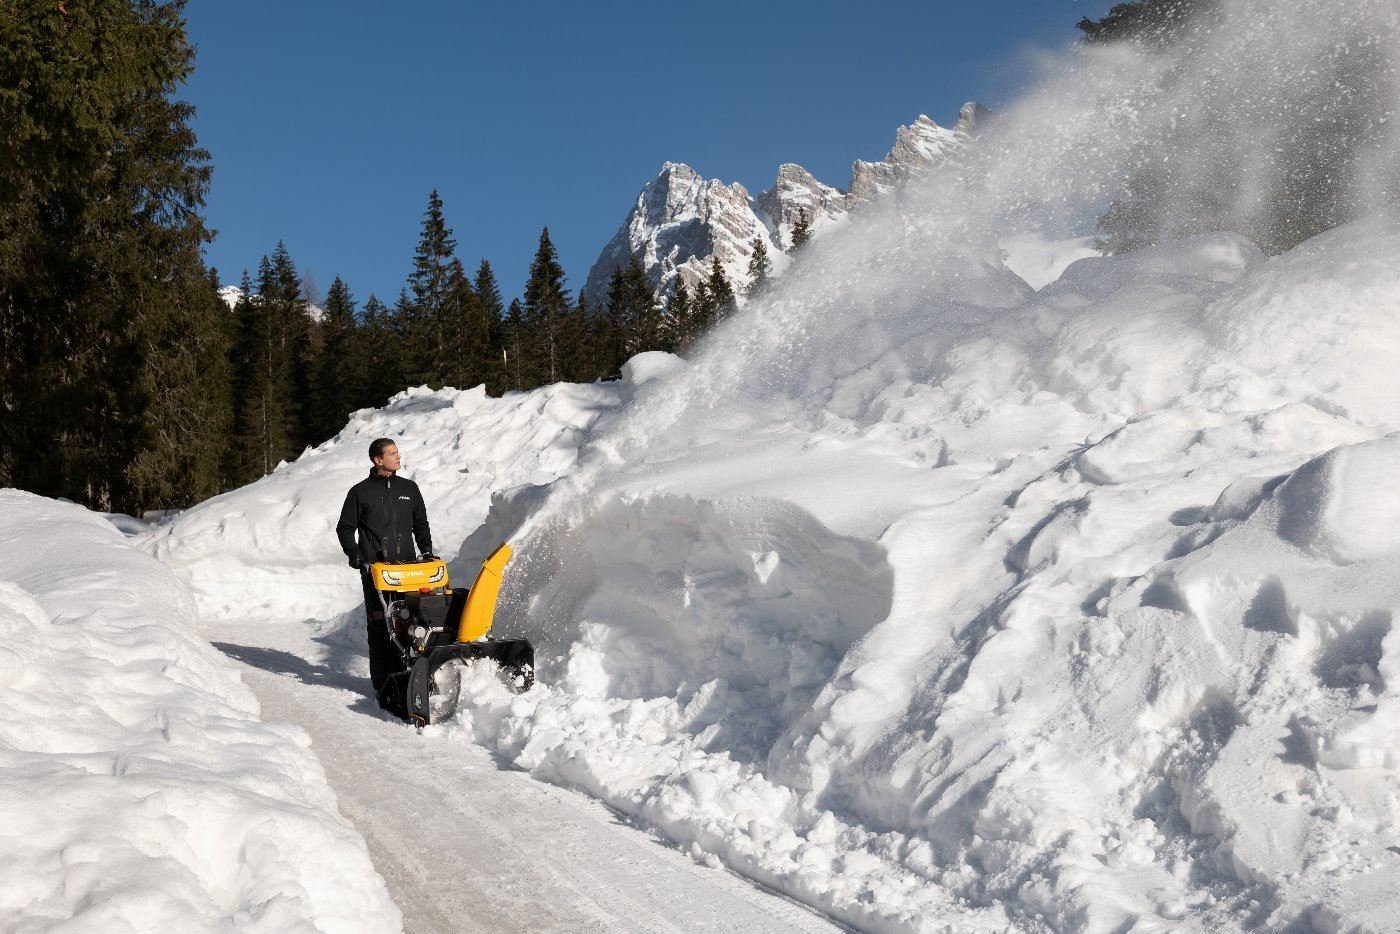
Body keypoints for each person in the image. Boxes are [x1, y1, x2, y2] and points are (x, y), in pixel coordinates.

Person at [336, 437, 434, 708]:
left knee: (413, 622)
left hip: (409, 571)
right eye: (392, 453)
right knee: (381, 625)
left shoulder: (409, 488)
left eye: (397, 452)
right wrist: (355, 555)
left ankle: (414, 676)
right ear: (378, 460)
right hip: (376, 572)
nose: (398, 456)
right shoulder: (361, 492)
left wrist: (426, 550)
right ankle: (383, 683)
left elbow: (420, 524)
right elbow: (345, 528)